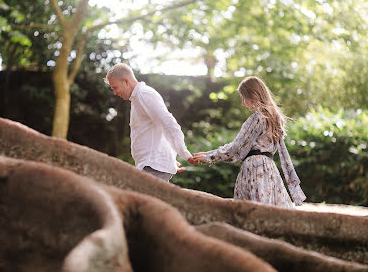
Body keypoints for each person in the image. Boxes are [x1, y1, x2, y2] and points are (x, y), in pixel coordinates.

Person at [193, 76, 306, 208]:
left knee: (254, 209)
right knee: (270, 209)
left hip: (254, 168)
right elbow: (239, 148)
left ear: (253, 95)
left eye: (243, 97)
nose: (242, 103)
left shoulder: (257, 119)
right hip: (269, 170)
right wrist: (210, 153)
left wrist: (210, 156)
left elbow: (235, 147)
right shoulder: (274, 119)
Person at [104, 63, 198, 182]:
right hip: (151, 166)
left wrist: (185, 154)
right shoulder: (137, 98)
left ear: (126, 81)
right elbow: (155, 129)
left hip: (152, 167)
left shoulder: (144, 94)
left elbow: (168, 124)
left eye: (115, 87)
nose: (115, 93)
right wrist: (166, 157)